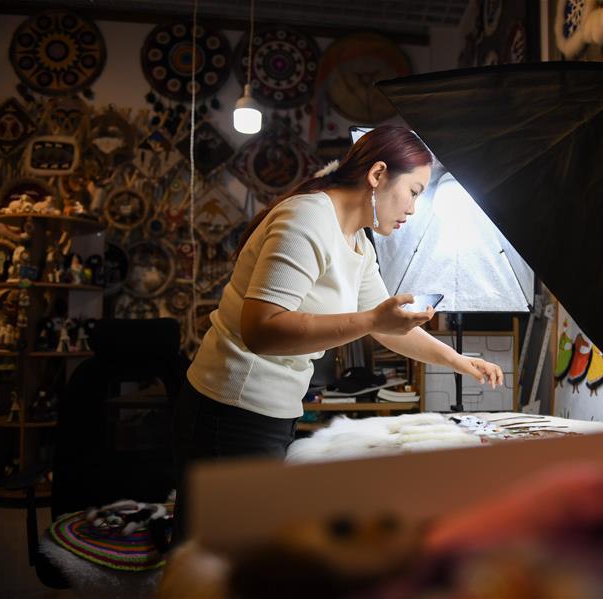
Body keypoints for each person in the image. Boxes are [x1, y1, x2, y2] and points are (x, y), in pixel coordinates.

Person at [173, 126, 504, 542]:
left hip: (273, 410)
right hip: (230, 407)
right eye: (414, 191)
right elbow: (261, 330)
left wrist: (457, 361)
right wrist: (372, 321)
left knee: (243, 552)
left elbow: (389, 329)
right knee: (214, 553)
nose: (413, 208)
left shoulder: (358, 242)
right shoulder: (308, 219)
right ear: (378, 175)